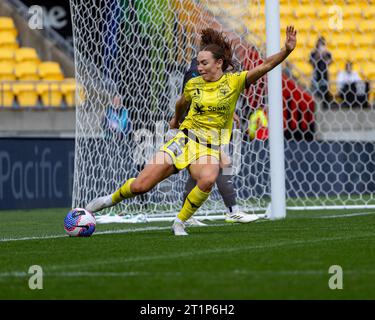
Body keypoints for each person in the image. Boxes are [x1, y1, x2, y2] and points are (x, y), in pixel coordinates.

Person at [86, 26, 297, 236]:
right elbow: (181, 102)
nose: (200, 67)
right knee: (141, 186)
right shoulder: (194, 84)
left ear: (219, 63)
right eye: (198, 63)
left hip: (207, 149)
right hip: (183, 141)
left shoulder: (234, 82)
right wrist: (175, 121)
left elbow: (266, 65)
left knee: (208, 177)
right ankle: (108, 200)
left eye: (204, 63)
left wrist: (286, 50)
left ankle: (180, 222)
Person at [179, 29, 258, 225]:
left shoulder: (200, 67)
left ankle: (186, 215)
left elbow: (211, 97)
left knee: (200, 174)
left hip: (207, 129)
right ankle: (232, 210)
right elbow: (193, 100)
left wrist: (231, 113)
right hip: (196, 130)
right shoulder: (197, 71)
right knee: (223, 163)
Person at [309, 36, 333, 104]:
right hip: (316, 74)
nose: (321, 45)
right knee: (316, 91)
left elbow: (330, 62)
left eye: (322, 44)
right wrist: (318, 54)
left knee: (325, 89)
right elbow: (312, 62)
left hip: (325, 74)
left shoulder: (327, 53)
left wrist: (324, 54)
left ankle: (325, 104)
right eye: (320, 44)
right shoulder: (313, 53)